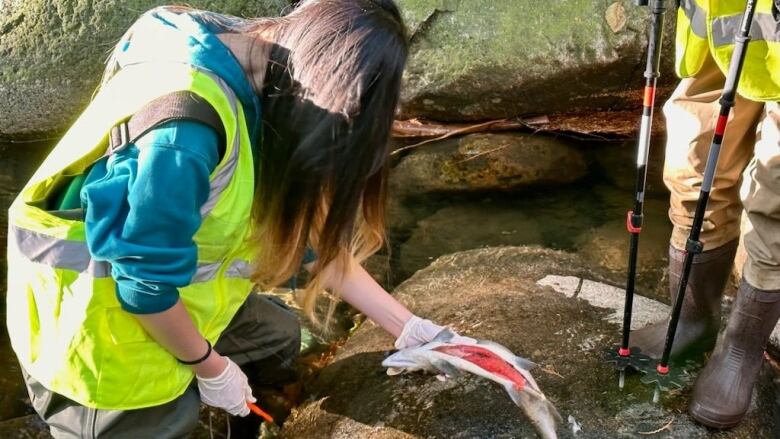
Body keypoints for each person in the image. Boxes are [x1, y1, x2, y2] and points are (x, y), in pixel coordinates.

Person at [6, 1, 471, 436]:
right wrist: (212, 368)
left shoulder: (264, 72)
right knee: (169, 417)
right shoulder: (182, 136)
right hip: (97, 337)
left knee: (280, 337)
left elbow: (309, 246)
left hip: (177, 289)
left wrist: (412, 329)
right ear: (328, 85)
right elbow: (143, 287)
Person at [630, 0, 780, 428]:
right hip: (723, 30)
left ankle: (741, 350)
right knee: (690, 162)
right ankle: (694, 320)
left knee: (775, 197)